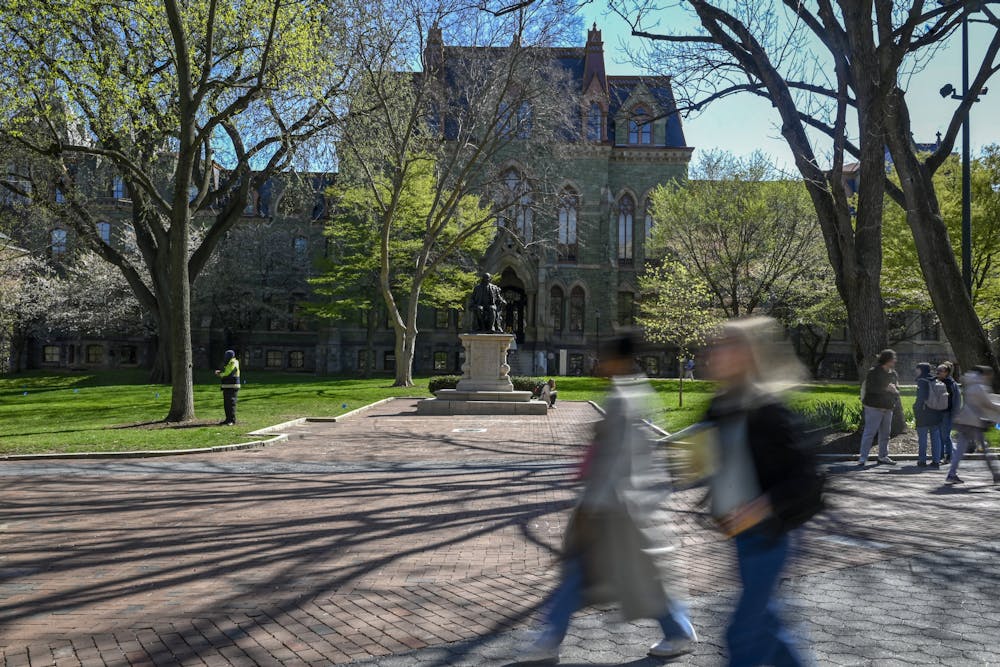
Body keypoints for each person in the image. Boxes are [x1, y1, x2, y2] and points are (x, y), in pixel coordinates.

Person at [522, 334, 697, 664]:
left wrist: (591, 507)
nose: (599, 364)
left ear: (620, 362)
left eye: (605, 359)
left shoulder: (623, 400)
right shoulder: (635, 393)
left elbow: (617, 462)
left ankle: (548, 640)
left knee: (584, 576)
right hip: (626, 507)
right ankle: (677, 631)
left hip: (614, 510)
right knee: (634, 577)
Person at [702, 317, 821, 667]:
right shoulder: (719, 406)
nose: (715, 351)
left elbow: (806, 477)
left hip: (770, 535)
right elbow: (718, 464)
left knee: (742, 635)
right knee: (769, 628)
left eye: (727, 344)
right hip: (739, 536)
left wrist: (762, 506)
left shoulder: (769, 410)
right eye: (715, 344)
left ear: (748, 354)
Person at [945, 366, 1000, 485]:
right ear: (985, 374)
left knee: (960, 450)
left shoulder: (970, 385)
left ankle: (951, 473)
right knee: (985, 449)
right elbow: (988, 404)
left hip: (965, 420)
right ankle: (996, 474)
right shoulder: (979, 387)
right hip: (974, 422)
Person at [858, 349, 900, 466]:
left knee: (885, 434)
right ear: (887, 360)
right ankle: (863, 458)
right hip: (874, 408)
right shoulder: (874, 372)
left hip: (888, 408)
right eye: (893, 359)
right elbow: (871, 388)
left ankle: (883, 456)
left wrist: (895, 392)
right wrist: (886, 388)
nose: (895, 361)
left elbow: (896, 390)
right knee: (869, 433)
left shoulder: (894, 374)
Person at [913, 362, 945, 468]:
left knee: (923, 438)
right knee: (935, 438)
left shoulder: (922, 381)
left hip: (924, 413)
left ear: (921, 370)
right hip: (935, 412)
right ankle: (936, 461)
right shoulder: (935, 380)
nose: (916, 371)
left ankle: (922, 461)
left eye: (917, 369)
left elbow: (921, 398)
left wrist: (915, 408)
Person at [937, 363, 961, 464]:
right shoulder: (937, 382)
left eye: (940, 371)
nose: (937, 373)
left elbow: (957, 401)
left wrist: (955, 414)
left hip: (947, 413)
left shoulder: (951, 384)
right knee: (940, 436)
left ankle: (949, 456)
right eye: (937, 371)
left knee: (945, 436)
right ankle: (940, 456)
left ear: (946, 372)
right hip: (938, 413)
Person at [214, 349, 241, 426]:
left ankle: (232, 420)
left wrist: (219, 374)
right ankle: (227, 419)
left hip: (233, 386)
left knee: (231, 404)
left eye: (227, 355)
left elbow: (229, 373)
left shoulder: (233, 362)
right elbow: (226, 371)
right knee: (226, 404)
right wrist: (220, 372)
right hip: (227, 386)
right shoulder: (228, 363)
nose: (225, 357)